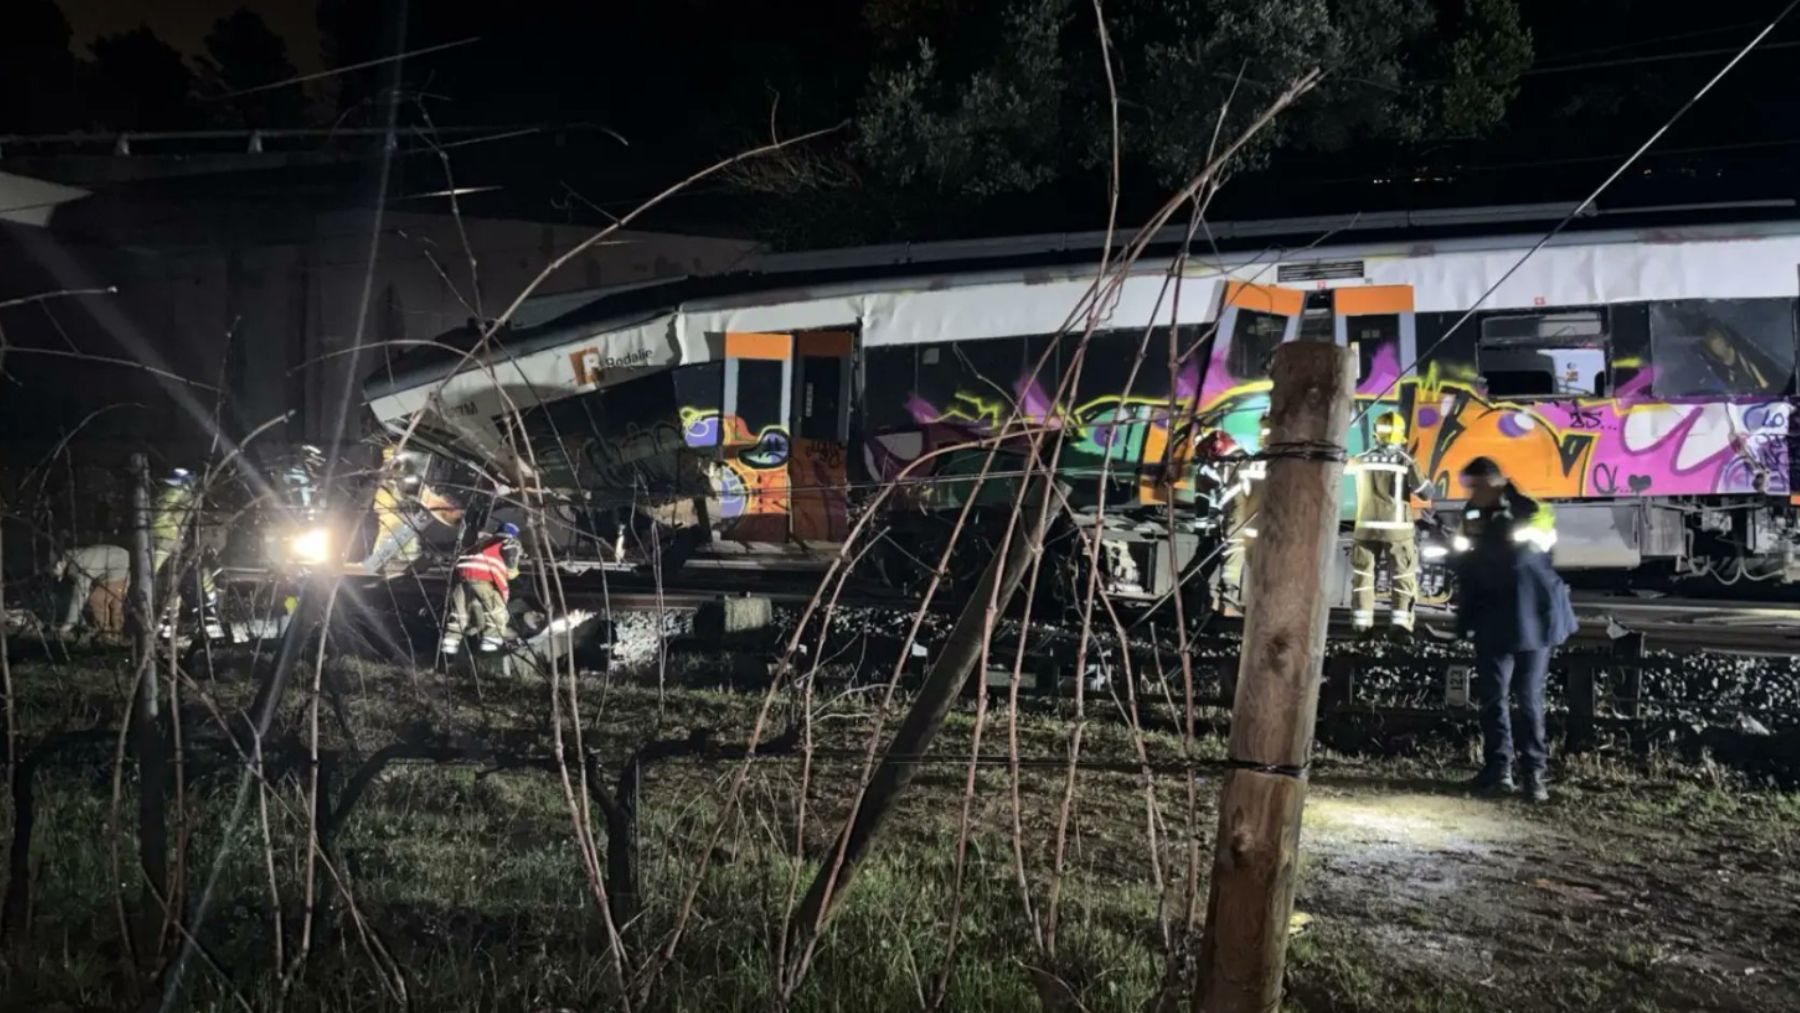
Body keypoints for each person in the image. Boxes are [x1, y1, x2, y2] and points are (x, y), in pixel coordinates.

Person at [1453, 457, 1576, 803]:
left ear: (1494, 481)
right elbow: (1467, 560)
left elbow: (1526, 557)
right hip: (1495, 617)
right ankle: (1498, 769)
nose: (1471, 493)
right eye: (1469, 487)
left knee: (1527, 698)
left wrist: (1487, 545)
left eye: (1475, 486)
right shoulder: (1473, 513)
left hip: (1532, 618)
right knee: (1493, 697)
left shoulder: (1531, 509)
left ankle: (1533, 775)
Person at [1347, 411, 1434, 633]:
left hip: (1365, 529)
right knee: (1402, 575)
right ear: (1400, 434)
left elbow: (1341, 469)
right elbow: (1425, 493)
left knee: (1363, 576)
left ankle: (1361, 625)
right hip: (1398, 531)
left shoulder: (1362, 458)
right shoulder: (1405, 460)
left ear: (1377, 433)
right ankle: (1400, 626)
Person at [441, 521, 522, 656]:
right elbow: (511, 563)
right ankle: (491, 640)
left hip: (463, 576)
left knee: (459, 613)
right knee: (497, 610)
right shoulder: (508, 542)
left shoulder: (481, 540)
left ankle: (450, 642)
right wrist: (513, 571)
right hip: (482, 576)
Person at [1217, 415, 1269, 612]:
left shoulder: (1248, 463)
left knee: (1240, 553)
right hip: (1267, 529)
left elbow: (1237, 498)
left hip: (1249, 526)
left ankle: (1229, 593)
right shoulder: (1286, 465)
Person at [51, 543, 129, 636]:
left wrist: (68, 625)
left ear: (59, 564)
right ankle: (118, 634)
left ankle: (106, 635)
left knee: (97, 600)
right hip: (120, 564)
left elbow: (79, 594)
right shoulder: (77, 556)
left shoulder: (78, 564)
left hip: (117, 570)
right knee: (115, 602)